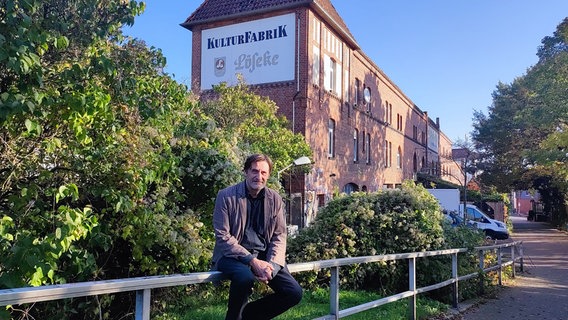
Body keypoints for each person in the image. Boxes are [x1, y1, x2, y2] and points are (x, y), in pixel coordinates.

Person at [211, 154, 303, 320]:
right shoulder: (226, 196)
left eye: (263, 172)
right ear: (246, 171)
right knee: (245, 277)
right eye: (254, 171)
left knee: (293, 293)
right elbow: (223, 236)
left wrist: (272, 266)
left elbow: (279, 235)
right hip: (232, 256)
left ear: (268, 175)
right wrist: (252, 262)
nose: (258, 176)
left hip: (264, 256)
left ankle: (244, 316)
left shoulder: (274, 199)